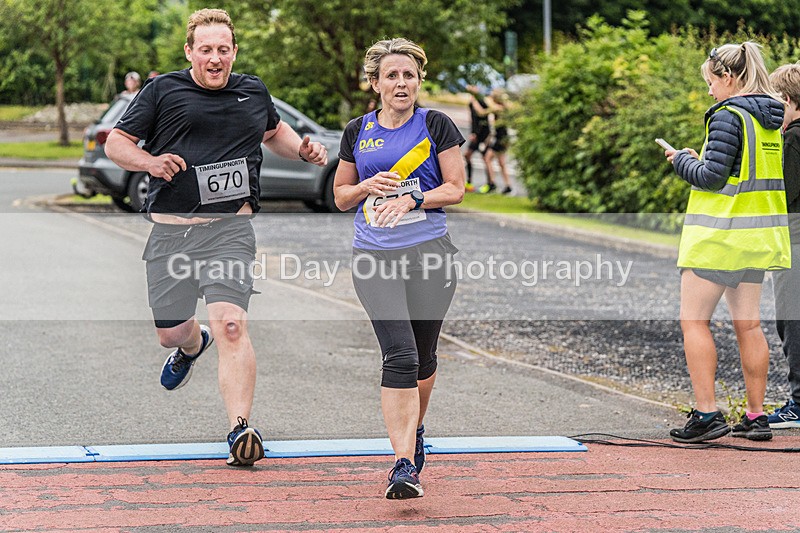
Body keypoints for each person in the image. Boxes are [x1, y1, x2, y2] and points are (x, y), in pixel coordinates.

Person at [104, 8, 327, 467]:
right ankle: (191, 344)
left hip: (230, 231)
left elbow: (275, 132)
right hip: (171, 235)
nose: (215, 58)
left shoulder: (251, 90)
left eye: (223, 49)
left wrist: (302, 148)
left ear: (234, 52)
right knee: (170, 334)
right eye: (205, 49)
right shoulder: (164, 90)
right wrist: (149, 163)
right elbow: (116, 143)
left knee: (232, 324)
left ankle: (239, 429)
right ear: (190, 52)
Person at [333, 38, 465, 499]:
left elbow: (456, 188)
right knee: (402, 357)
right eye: (391, 75)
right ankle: (403, 464)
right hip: (374, 256)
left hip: (430, 255)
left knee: (424, 360)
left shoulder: (436, 125)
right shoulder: (358, 130)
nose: (401, 83)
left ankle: (415, 430)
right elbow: (340, 196)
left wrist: (414, 197)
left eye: (409, 75)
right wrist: (367, 184)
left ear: (419, 80)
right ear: (375, 83)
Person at [663, 42, 790, 443]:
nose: (709, 90)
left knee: (694, 321)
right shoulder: (772, 119)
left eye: (711, 82)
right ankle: (756, 416)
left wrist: (681, 161)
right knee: (749, 325)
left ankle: (706, 415)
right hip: (755, 237)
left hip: (720, 237)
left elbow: (712, 177)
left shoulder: (727, 116)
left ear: (730, 78)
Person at [767, 63, 800, 429]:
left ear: (789, 101)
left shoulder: (792, 139)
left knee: (792, 322)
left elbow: (785, 195)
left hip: (794, 241)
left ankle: (798, 404)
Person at [483, 88, 513, 195]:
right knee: (501, 163)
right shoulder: (502, 108)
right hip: (501, 138)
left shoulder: (499, 108)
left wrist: (476, 98)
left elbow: (484, 111)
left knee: (488, 158)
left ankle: (492, 183)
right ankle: (507, 185)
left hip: (501, 138)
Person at [463, 84, 492, 193]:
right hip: (476, 135)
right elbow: (472, 119)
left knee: (486, 158)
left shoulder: (482, 102)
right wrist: (473, 132)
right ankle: (469, 182)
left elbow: (483, 117)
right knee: (467, 155)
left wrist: (480, 134)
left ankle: (490, 184)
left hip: (483, 134)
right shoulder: (471, 102)